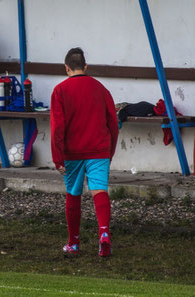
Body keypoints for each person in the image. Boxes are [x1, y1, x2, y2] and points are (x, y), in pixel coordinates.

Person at [50, 47, 119, 257]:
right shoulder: (100, 88)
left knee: (73, 195)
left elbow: (57, 128)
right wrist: (110, 151)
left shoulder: (60, 90)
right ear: (85, 67)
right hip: (99, 149)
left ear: (67, 68)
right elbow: (113, 123)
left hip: (72, 152)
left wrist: (57, 158)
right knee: (100, 191)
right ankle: (104, 234)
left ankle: (74, 243)